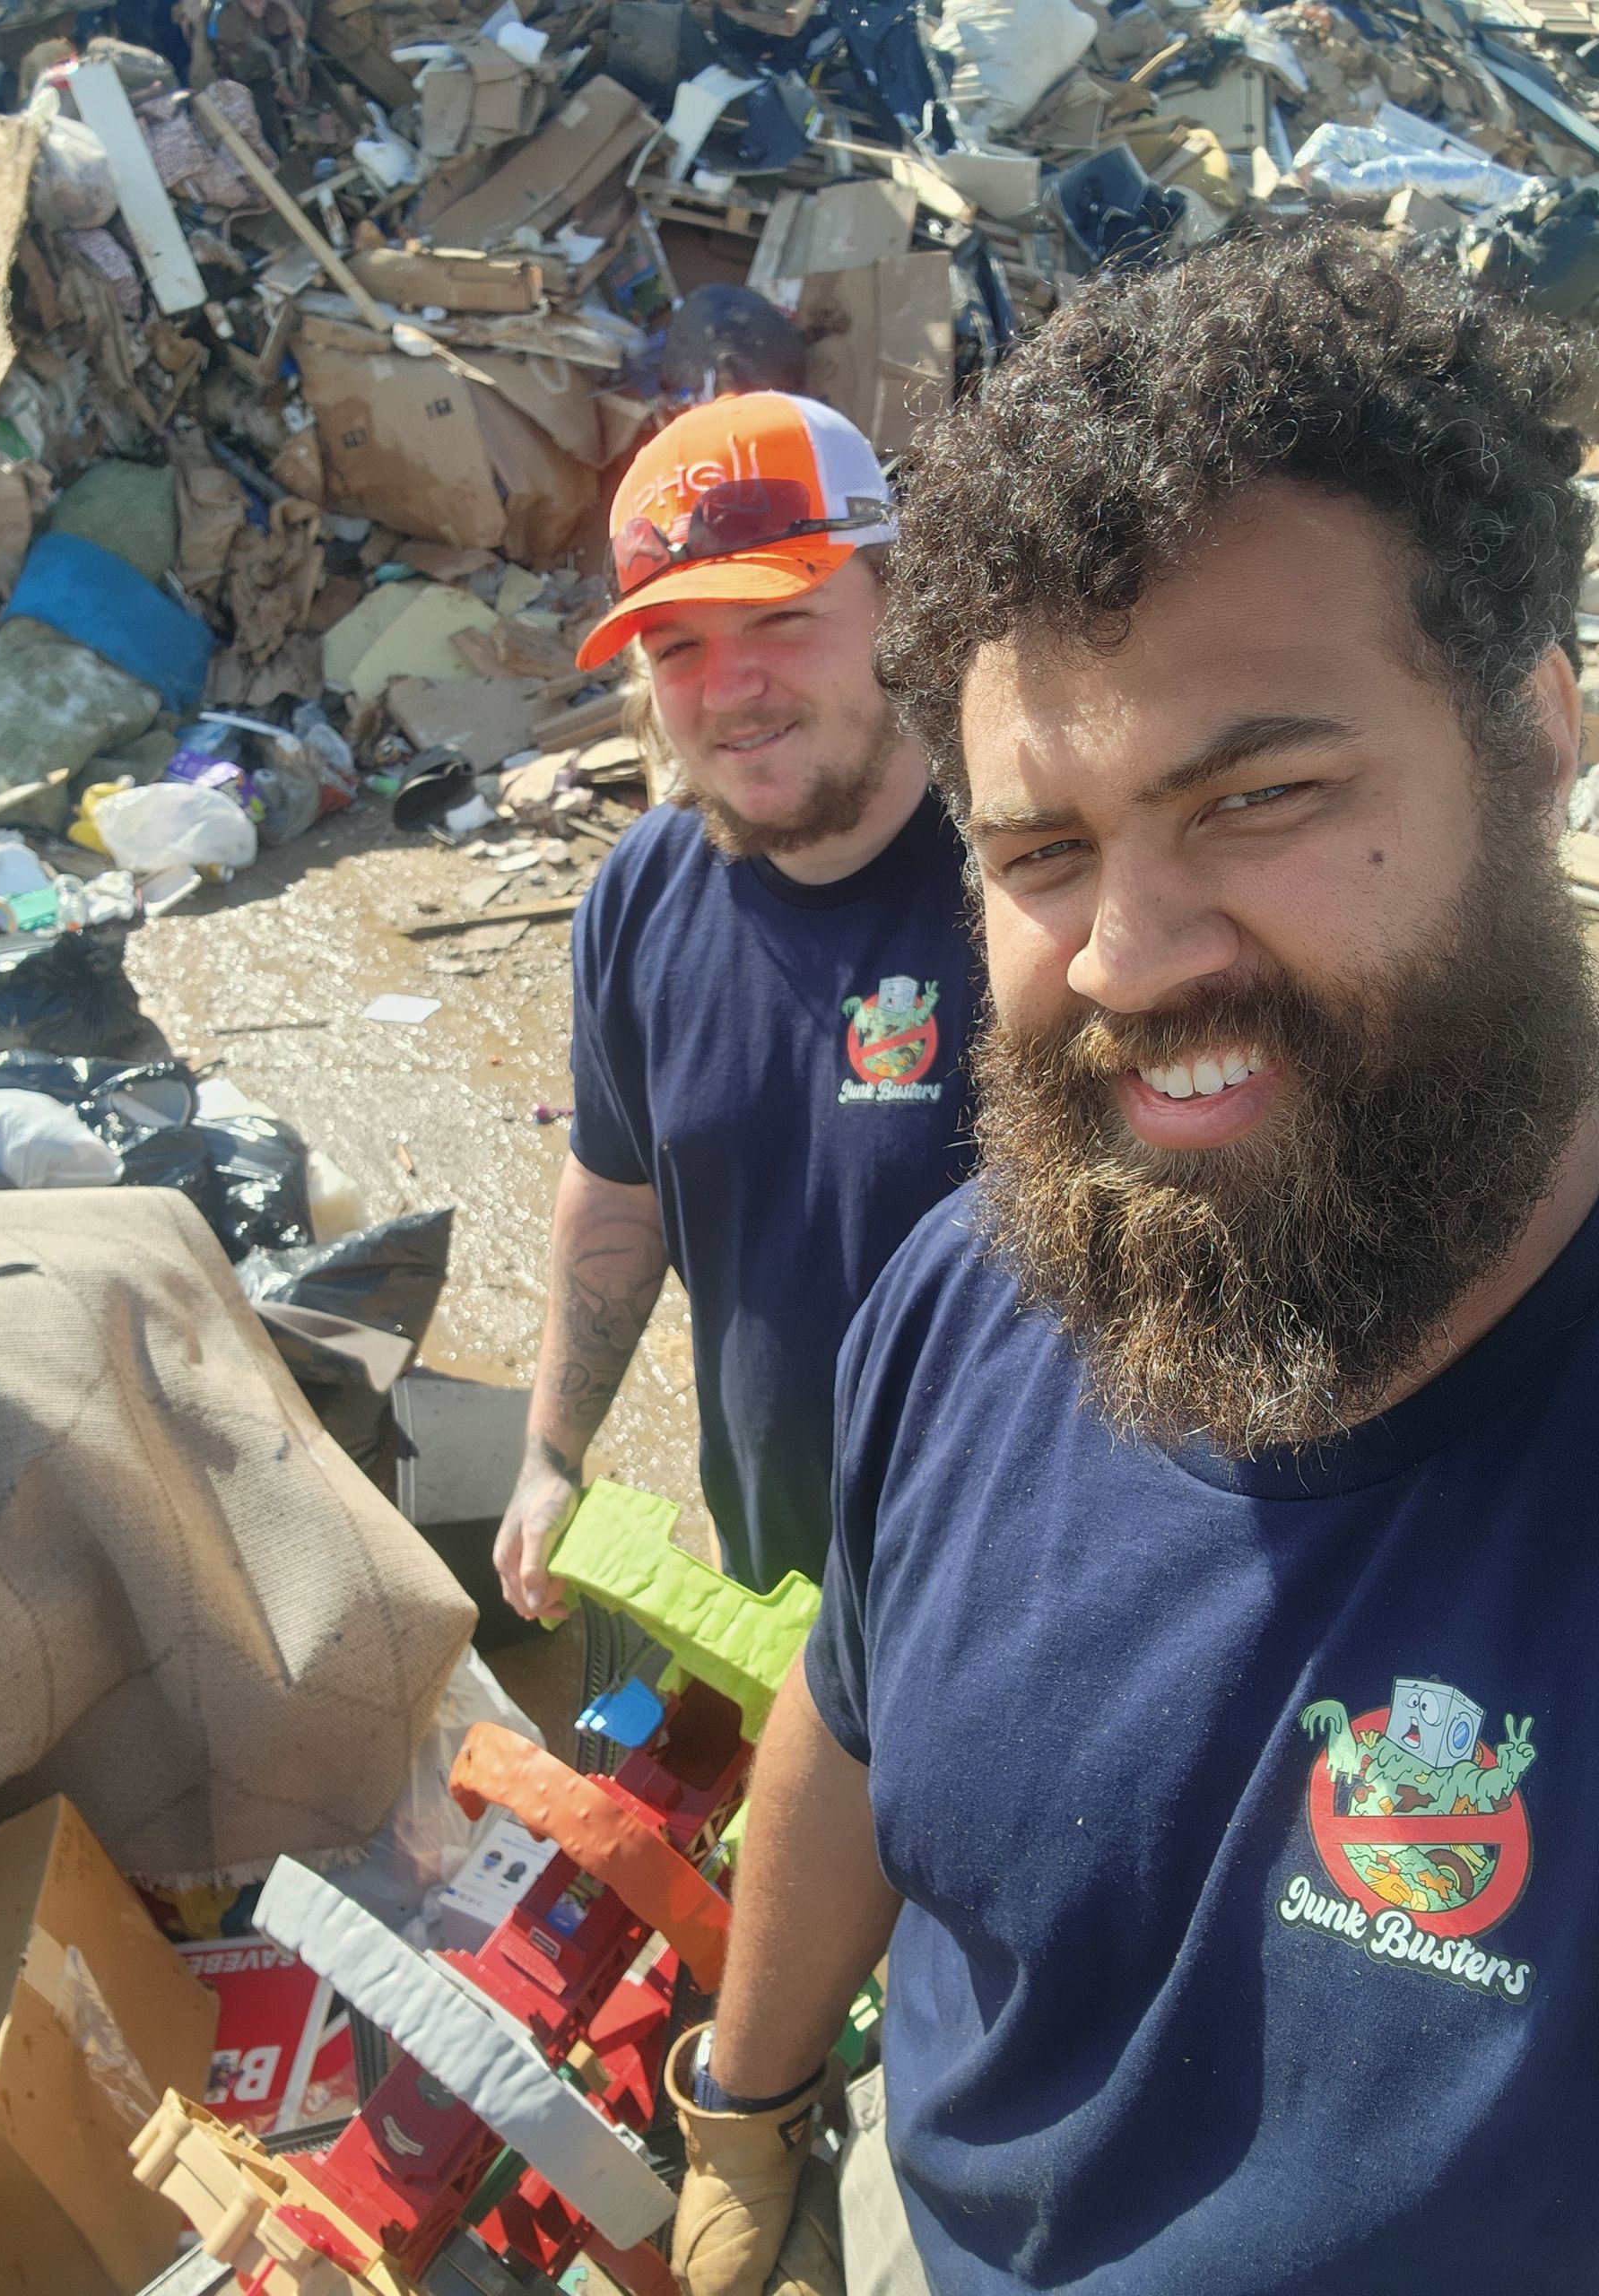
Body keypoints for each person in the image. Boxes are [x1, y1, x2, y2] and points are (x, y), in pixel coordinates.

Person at [672, 227, 1599, 2293]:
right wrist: (745, 2107)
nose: (1124, 958)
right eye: (1041, 853)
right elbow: (853, 1711)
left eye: (1262, 793)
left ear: (1536, 739)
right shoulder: (977, 1292)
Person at [494, 391, 977, 1618]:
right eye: (679, 651)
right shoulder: (640, 897)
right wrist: (552, 1455)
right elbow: (616, 1188)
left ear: (898, 602)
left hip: (1010, 1613)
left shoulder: (1031, 883)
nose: (730, 689)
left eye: (780, 619)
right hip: (781, 1588)